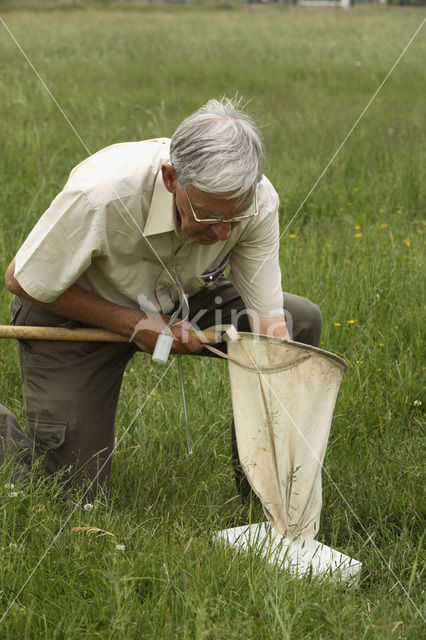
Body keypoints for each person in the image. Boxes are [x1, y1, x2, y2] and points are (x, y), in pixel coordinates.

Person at [1, 97, 322, 499]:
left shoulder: (255, 202)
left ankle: (264, 486)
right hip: (73, 310)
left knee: (297, 322)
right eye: (208, 215)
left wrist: (276, 360)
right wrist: (132, 323)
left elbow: (267, 321)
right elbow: (24, 280)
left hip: (178, 300)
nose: (223, 233)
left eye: (233, 218)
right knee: (71, 494)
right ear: (172, 179)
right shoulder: (101, 193)